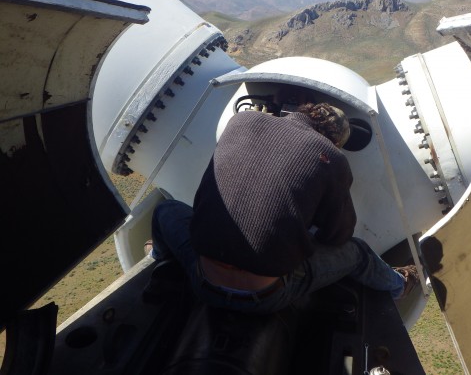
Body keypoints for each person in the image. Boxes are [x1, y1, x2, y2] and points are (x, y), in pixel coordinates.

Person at [149, 102, 418, 313]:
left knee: (166, 210)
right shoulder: (331, 157)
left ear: (297, 112)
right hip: (265, 298)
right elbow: (338, 235)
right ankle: (399, 285)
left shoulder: (241, 121)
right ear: (336, 142)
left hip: (203, 280)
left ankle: (159, 258)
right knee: (359, 252)